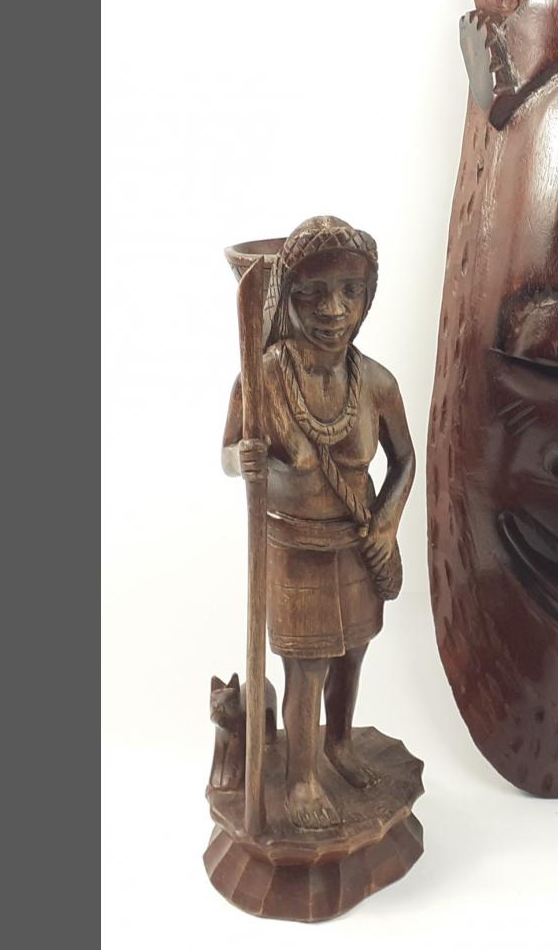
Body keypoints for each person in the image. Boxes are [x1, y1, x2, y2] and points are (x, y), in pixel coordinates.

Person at [222, 217, 415, 830]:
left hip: (356, 545)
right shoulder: (262, 379)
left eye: (350, 292)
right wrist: (243, 459)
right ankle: (301, 776)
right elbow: (227, 452)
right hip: (294, 549)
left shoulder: (376, 383)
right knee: (306, 667)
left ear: (367, 297)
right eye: (313, 293)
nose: (334, 310)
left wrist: (385, 525)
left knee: (351, 653)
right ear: (286, 297)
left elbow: (405, 462)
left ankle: (339, 744)